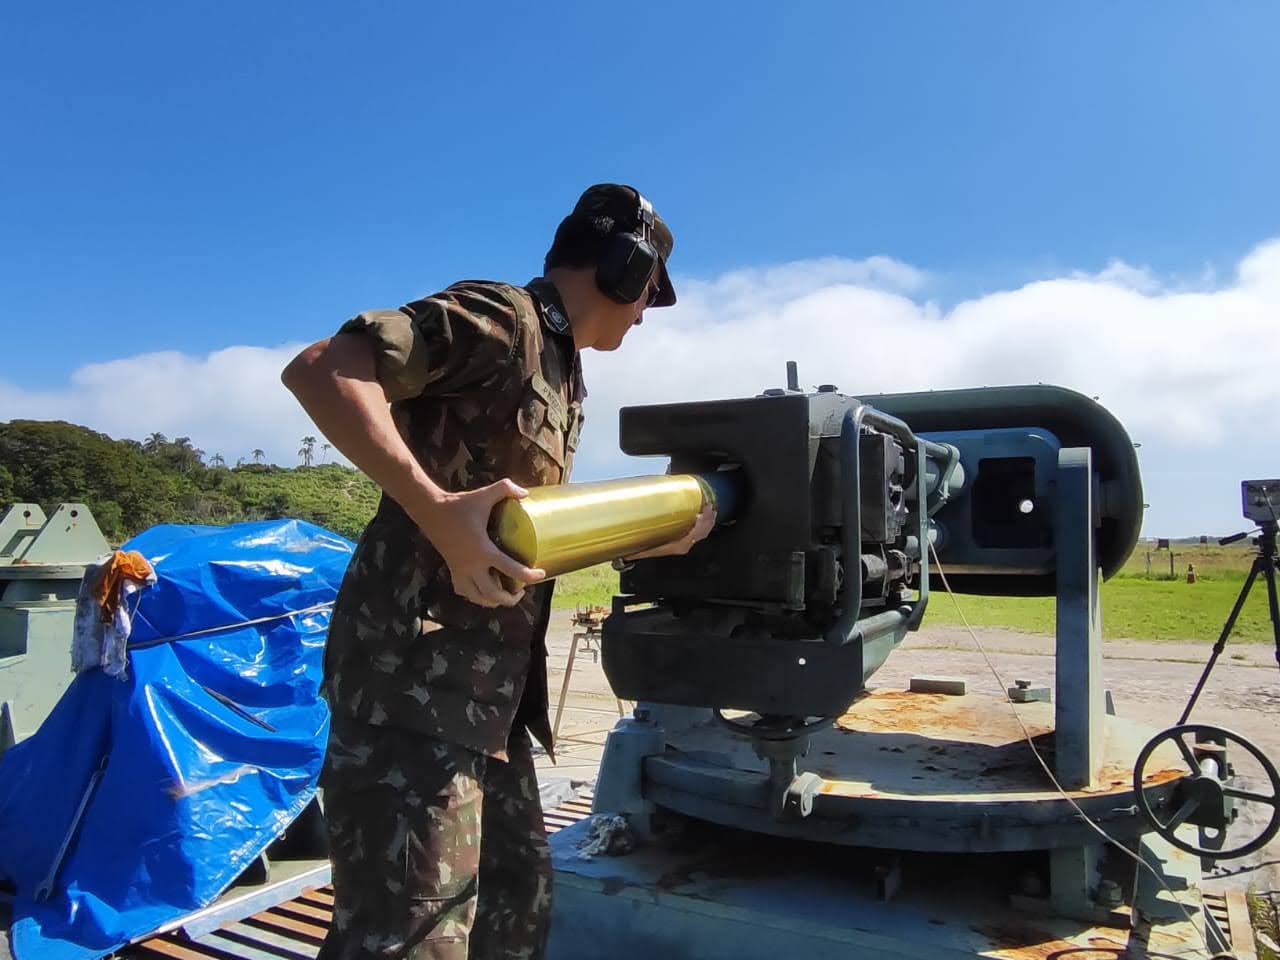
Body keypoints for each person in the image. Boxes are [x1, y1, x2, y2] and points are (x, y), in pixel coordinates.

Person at [281, 183, 713, 960]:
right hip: (412, 692)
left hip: (490, 703)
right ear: (621, 270)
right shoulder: (501, 319)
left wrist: (650, 541)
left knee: (512, 913)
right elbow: (323, 369)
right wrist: (436, 508)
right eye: (650, 293)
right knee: (407, 939)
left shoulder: (563, 373)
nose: (646, 314)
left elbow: (521, 533)